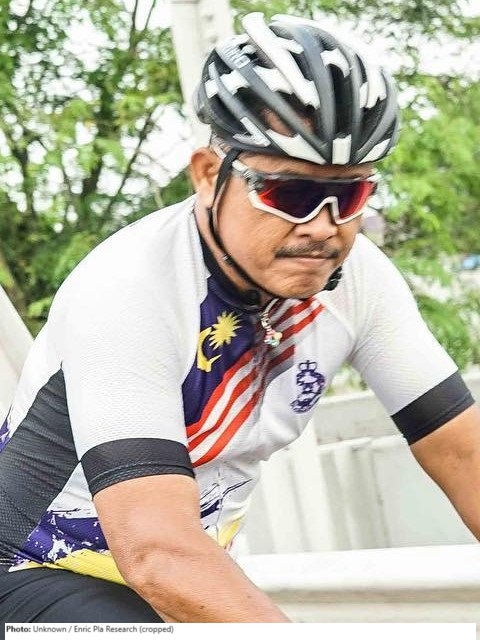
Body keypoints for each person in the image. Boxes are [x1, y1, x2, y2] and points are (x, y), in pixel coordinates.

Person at [0, 11, 479, 624]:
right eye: (291, 194)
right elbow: (157, 549)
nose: (323, 226)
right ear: (208, 175)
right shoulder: (129, 287)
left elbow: (464, 456)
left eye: (351, 194)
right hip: (34, 569)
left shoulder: (359, 279)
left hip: (164, 578)